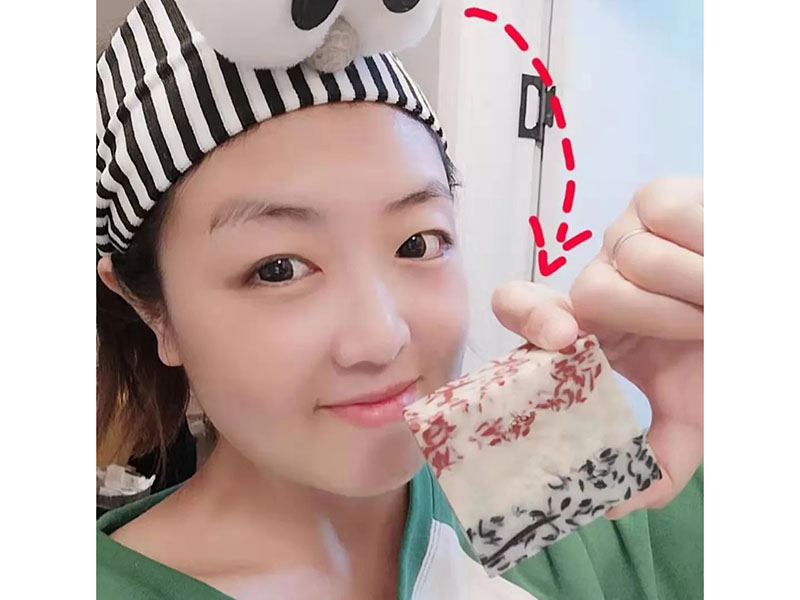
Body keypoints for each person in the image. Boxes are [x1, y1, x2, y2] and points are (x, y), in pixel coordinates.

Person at [96, 1, 703, 598]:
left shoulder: (522, 462)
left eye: (418, 242)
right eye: (279, 270)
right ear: (152, 310)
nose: (381, 337)